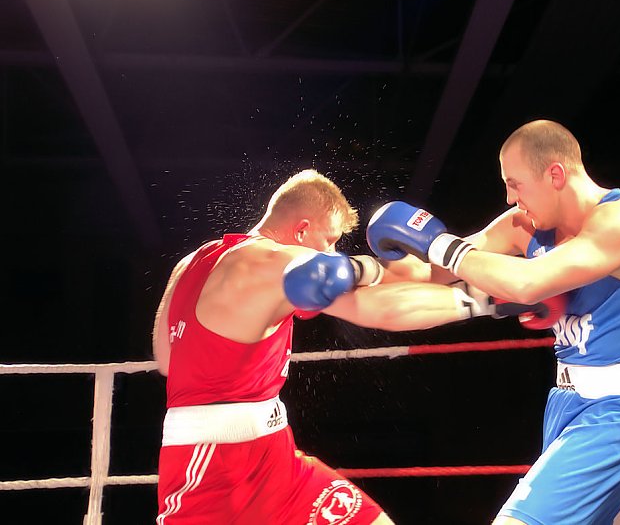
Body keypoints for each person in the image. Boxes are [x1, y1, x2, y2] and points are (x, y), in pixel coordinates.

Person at [152, 168, 552, 524]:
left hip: (274, 455)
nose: (331, 254)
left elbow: (167, 360)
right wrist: (486, 301)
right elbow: (378, 308)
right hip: (213, 467)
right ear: (302, 229)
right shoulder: (279, 262)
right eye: (328, 241)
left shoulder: (193, 260)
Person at [364, 119, 620, 525]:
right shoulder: (524, 228)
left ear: (556, 174)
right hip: (564, 404)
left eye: (515, 183)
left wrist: (438, 243)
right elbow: (430, 272)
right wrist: (350, 271)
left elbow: (526, 283)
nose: (510, 197)